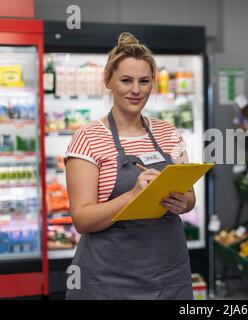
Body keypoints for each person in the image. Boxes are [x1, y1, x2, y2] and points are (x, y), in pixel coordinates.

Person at [64, 32, 195, 300]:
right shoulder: (88, 138)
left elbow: (189, 196)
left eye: (144, 81)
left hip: (168, 275)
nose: (136, 90)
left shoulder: (168, 133)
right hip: (109, 280)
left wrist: (185, 201)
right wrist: (133, 196)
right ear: (108, 80)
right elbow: (82, 220)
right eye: (126, 80)